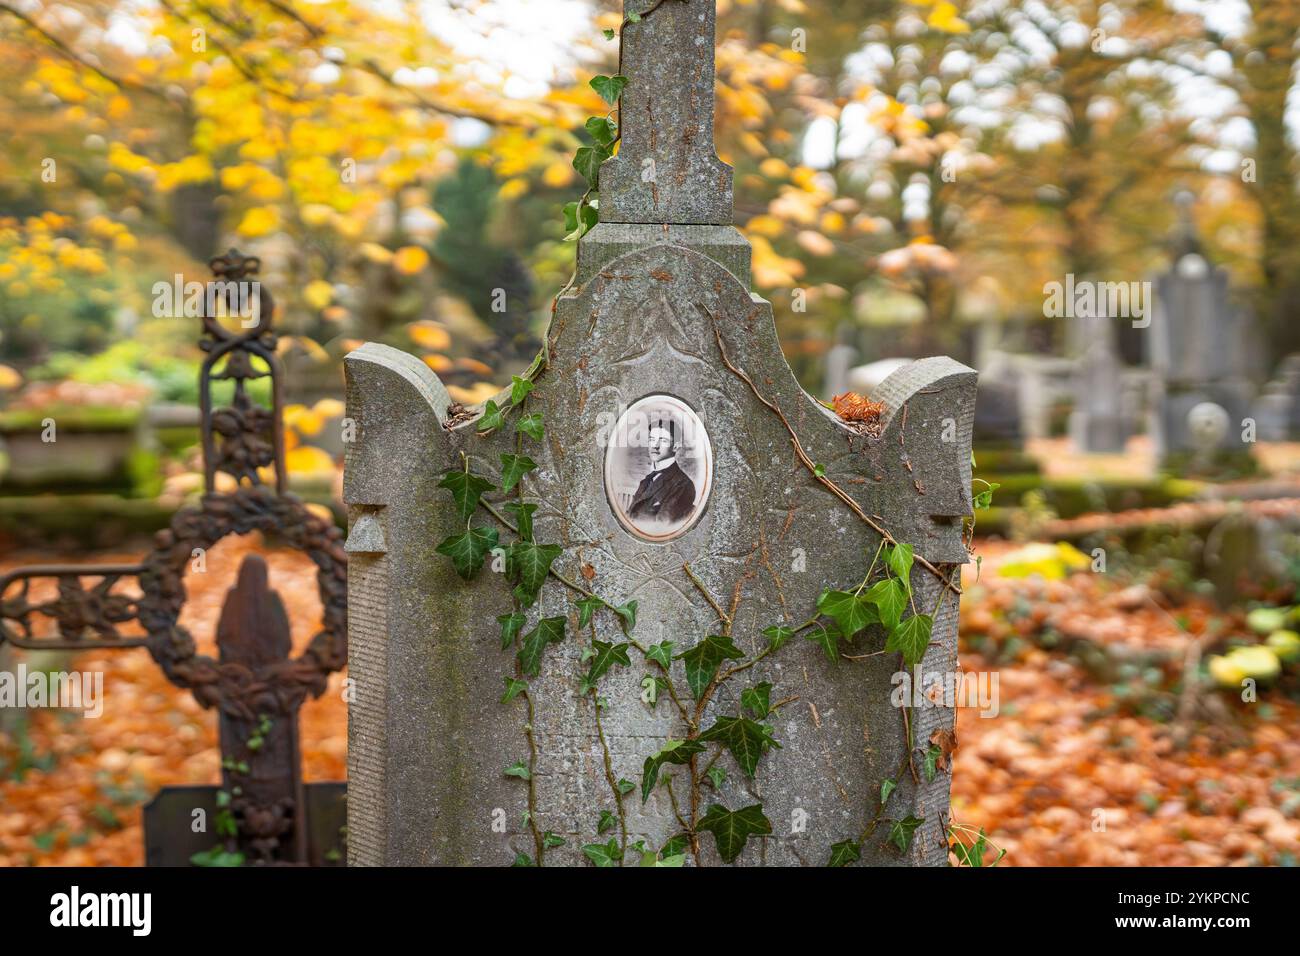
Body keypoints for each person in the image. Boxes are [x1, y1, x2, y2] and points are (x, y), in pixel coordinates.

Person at [627, 416, 696, 525]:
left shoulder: (683, 484)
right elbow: (630, 514)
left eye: (663, 440)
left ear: (675, 447)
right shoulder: (647, 480)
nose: (655, 446)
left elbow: (661, 528)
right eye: (652, 440)